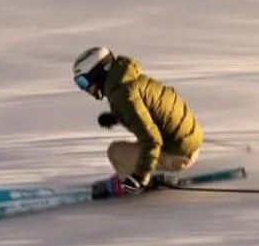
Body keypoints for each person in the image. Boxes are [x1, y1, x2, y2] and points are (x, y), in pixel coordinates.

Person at [72, 46, 203, 199]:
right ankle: (150, 170)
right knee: (139, 141)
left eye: (83, 82)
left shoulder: (123, 94)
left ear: (98, 73)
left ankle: (130, 183)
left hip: (180, 155)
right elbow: (146, 112)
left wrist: (139, 177)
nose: (84, 88)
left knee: (115, 152)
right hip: (189, 142)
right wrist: (117, 116)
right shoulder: (129, 79)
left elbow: (152, 140)